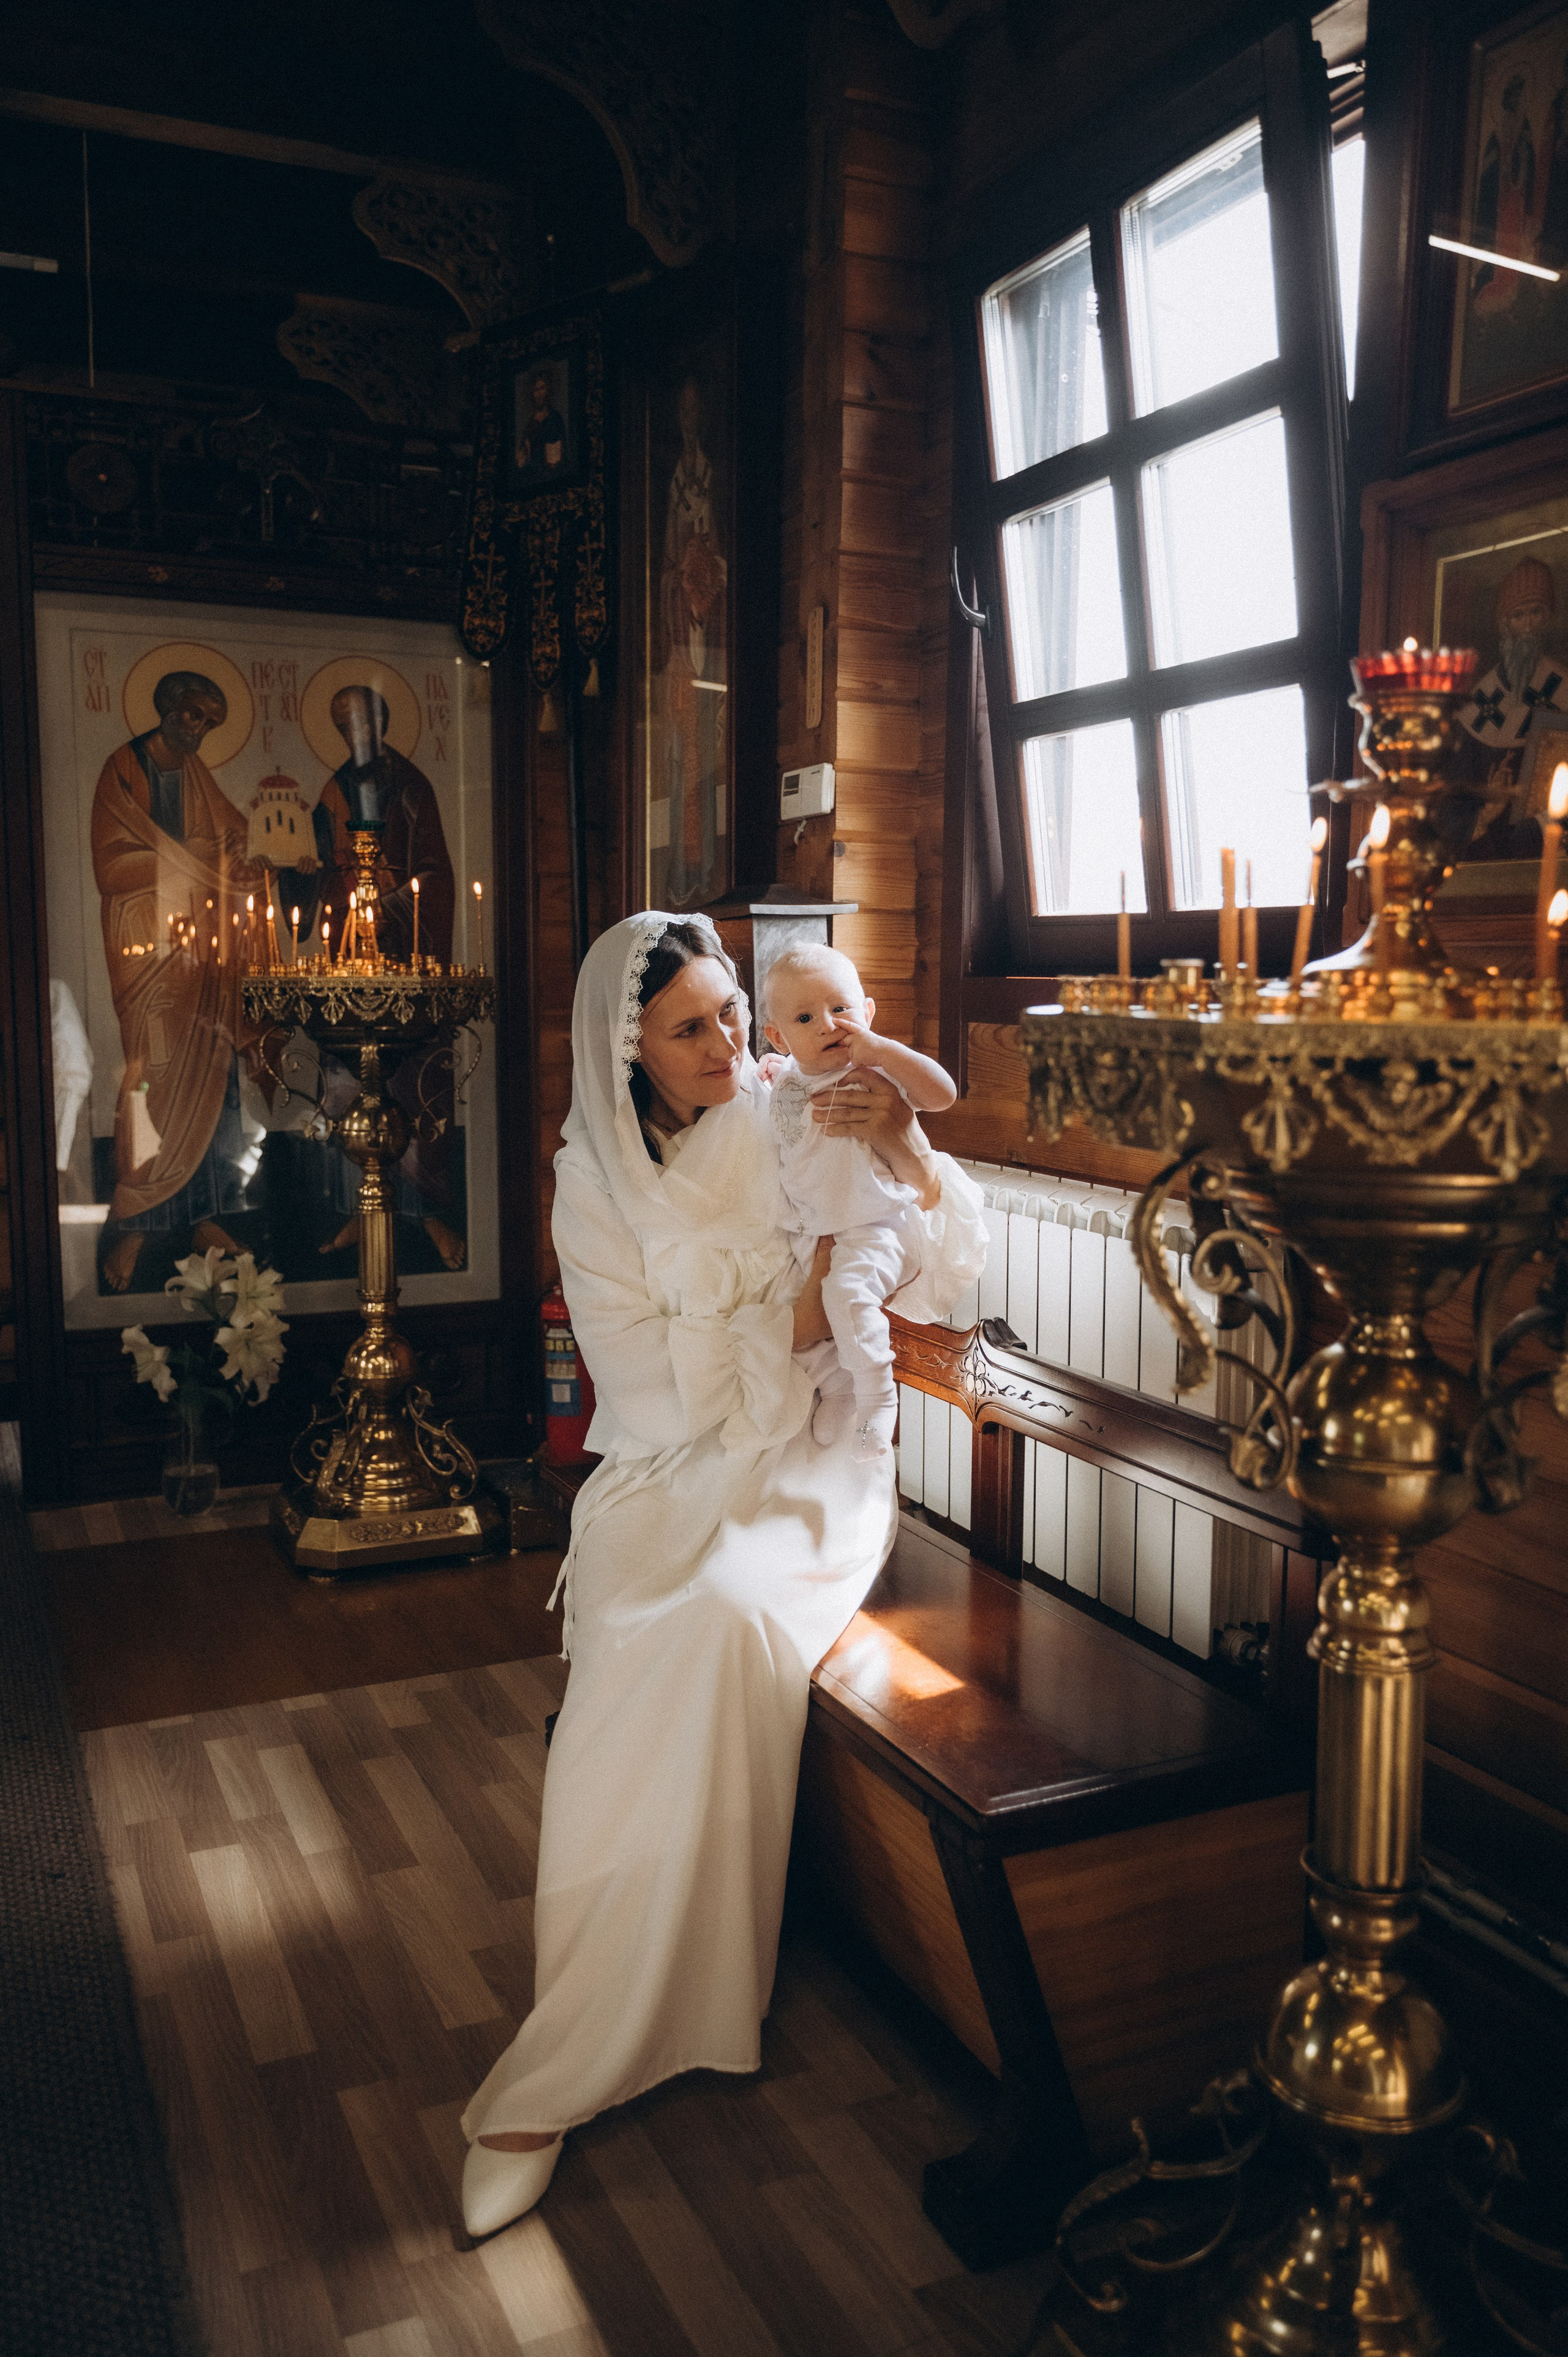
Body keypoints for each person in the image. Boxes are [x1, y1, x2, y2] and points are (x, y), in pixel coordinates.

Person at [458, 911, 986, 2238]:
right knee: (633, 1629)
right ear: (623, 1043)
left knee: (722, 1615)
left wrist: (898, 1145)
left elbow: (945, 1274)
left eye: (734, 1016)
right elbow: (641, 1387)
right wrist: (794, 1305)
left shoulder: (789, 1111)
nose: (729, 1045)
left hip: (809, 1464)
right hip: (664, 1464)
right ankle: (587, 2009)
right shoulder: (591, 1182)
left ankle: (575, 2064)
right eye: (690, 1027)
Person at [274, 684, 464, 1271]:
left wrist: (393, 899)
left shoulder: (413, 788)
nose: (353, 734)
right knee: (345, 1087)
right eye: (342, 724)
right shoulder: (332, 791)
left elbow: (436, 874)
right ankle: (360, 1213)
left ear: (380, 724)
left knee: (416, 1084)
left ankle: (427, 1214)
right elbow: (308, 872)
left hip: (405, 953)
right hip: (347, 958)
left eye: (361, 721)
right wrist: (298, 873)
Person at [90, 670, 267, 1294]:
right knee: (151, 1075)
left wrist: (239, 856)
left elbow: (228, 828)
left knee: (211, 1071)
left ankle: (204, 1216)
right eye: (192, 716)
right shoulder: (125, 768)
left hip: (199, 952)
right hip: (148, 950)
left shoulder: (194, 773)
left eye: (209, 723)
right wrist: (191, 856)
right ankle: (139, 1216)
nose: (198, 730)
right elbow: (112, 863)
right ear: (167, 707)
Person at [761, 943, 957, 1460]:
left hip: (874, 1224)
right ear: (780, 1036)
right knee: (808, 1331)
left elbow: (943, 1096)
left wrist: (886, 1051)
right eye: (806, 1018)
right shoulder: (784, 1079)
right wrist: (772, 1071)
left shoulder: (873, 1073)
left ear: (867, 1012)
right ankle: (843, 1391)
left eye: (841, 1009)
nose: (829, 1025)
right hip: (812, 1228)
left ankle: (877, 1401)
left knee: (847, 1298)